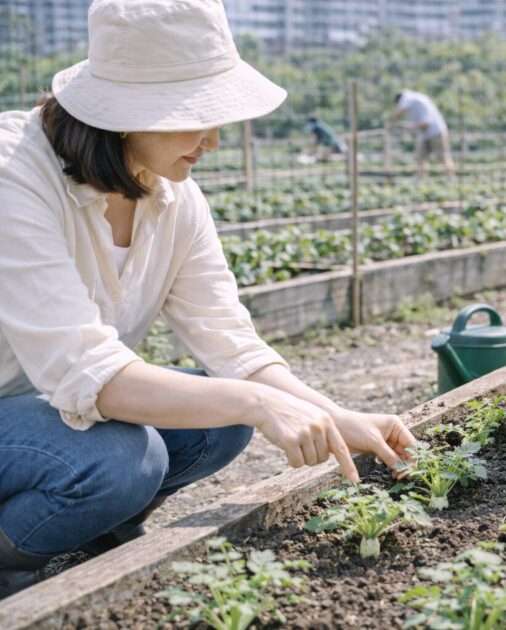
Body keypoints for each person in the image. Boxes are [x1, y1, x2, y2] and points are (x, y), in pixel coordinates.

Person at [0, 0, 414, 599]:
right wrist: (254, 401)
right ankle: (14, 566)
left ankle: (92, 535)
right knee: (124, 457)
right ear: (126, 113)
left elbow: (230, 342)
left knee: (217, 425)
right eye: (198, 116)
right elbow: (86, 369)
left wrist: (336, 415)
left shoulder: (170, 193)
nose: (215, 140)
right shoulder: (15, 172)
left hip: (50, 409)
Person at [386, 89, 455, 177]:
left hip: (436, 131)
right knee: (419, 158)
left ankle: (451, 179)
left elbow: (425, 123)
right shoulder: (417, 99)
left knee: (442, 158)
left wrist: (391, 123)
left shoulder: (408, 98)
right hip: (424, 134)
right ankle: (422, 181)